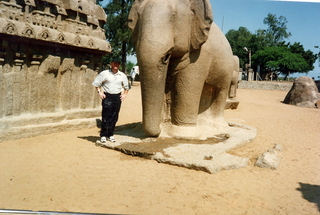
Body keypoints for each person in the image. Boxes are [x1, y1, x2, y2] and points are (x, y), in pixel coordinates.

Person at [92, 59, 129, 143]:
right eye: (114, 63)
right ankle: (103, 135)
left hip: (117, 97)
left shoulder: (122, 75)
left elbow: (127, 87)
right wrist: (99, 92)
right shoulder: (104, 73)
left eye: (117, 63)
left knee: (114, 117)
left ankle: (110, 134)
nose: (115, 65)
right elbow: (96, 84)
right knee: (105, 116)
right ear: (111, 64)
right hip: (107, 96)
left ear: (119, 65)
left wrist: (124, 94)